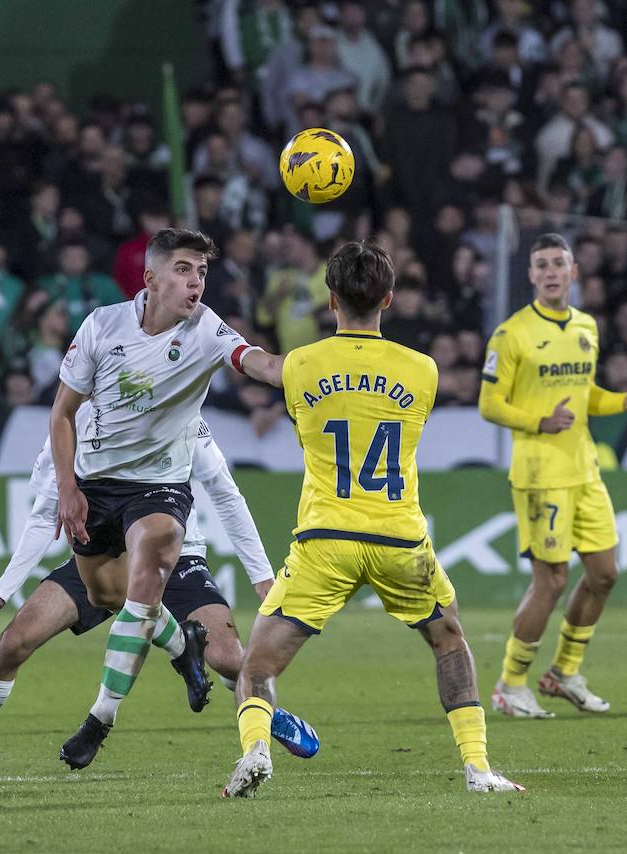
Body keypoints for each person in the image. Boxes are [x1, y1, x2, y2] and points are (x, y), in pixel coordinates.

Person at [223, 239, 525, 797]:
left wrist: (217, 334)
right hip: (398, 539)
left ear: (330, 300)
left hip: (324, 541)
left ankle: (256, 750)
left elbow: (256, 365)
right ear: (389, 297)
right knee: (450, 641)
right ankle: (478, 768)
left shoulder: (302, 365)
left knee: (257, 666)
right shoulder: (423, 370)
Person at [0, 413, 320, 778]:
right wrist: (1, 592)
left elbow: (225, 493)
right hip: (103, 559)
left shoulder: (180, 410)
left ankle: (267, 713)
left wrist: (261, 574)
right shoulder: (70, 422)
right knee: (14, 642)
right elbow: (48, 509)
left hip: (176, 557)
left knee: (232, 661)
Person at [49, 227, 264, 769]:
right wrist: (68, 488)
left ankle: (101, 717)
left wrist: (314, 367)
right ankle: (180, 643)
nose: (196, 282)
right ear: (151, 279)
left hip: (160, 488)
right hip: (97, 487)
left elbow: (257, 361)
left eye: (202, 272)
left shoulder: (207, 328)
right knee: (107, 596)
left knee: (150, 574)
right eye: (185, 270)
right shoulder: (102, 326)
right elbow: (62, 413)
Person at [480, 234, 627, 718]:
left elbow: (584, 393)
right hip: (540, 474)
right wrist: (540, 421)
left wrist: (622, 401)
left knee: (605, 574)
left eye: (559, 263)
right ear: (531, 276)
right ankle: (511, 685)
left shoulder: (586, 327)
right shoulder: (511, 334)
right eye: (542, 264)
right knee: (551, 581)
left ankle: (563, 672)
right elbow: (489, 403)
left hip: (584, 470)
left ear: (574, 271)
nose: (552, 271)